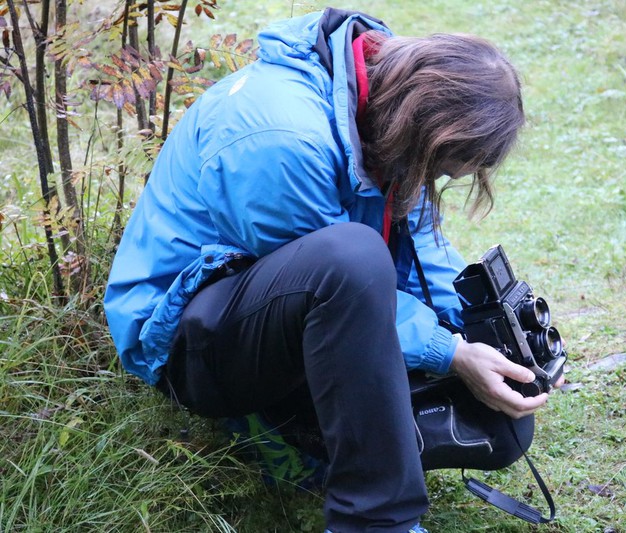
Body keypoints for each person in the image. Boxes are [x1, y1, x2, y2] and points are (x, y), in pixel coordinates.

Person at [104, 7, 557, 533]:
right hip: (190, 342)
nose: (441, 179)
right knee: (351, 255)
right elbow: (337, 280)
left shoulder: (384, 106)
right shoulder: (281, 137)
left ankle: (298, 437)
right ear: (428, 130)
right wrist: (449, 352)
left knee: (500, 427)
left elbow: (417, 243)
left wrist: (486, 332)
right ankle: (375, 519)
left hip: (302, 311)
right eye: (443, 167)